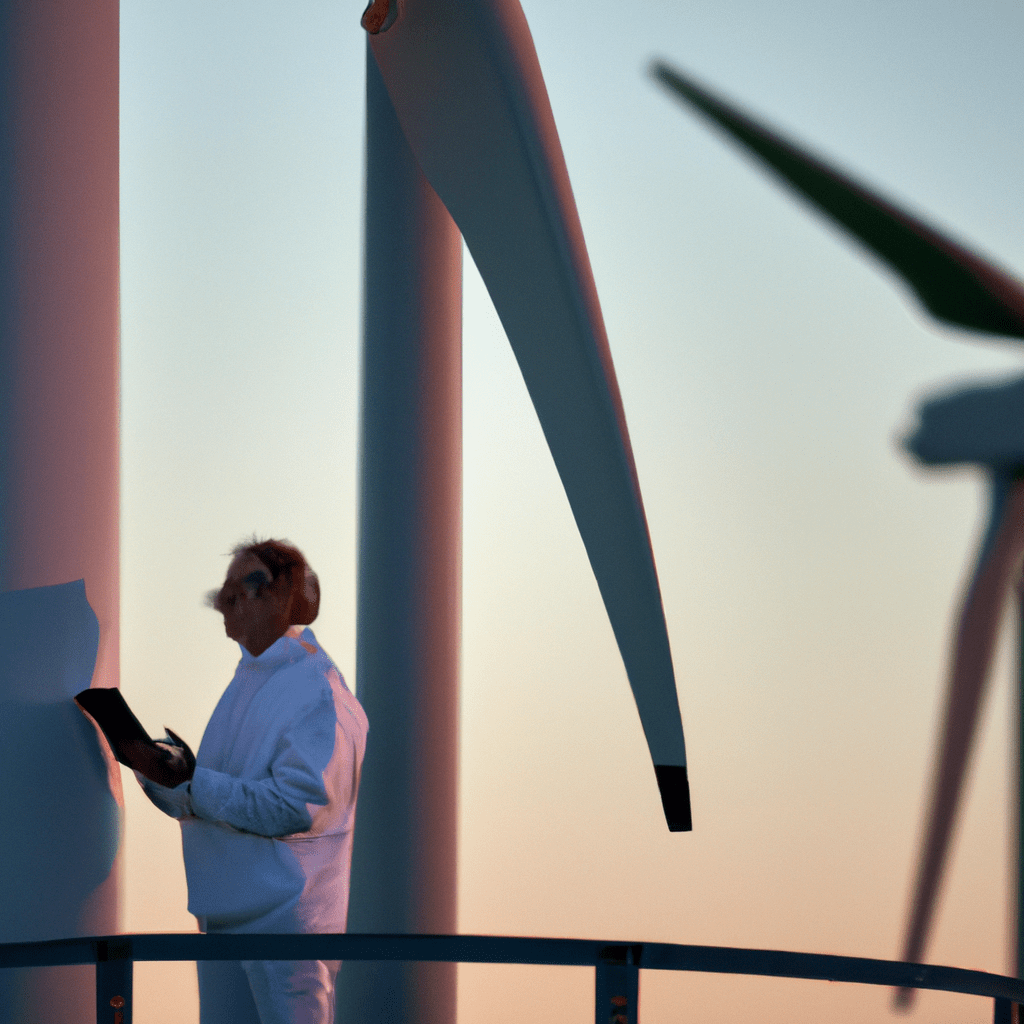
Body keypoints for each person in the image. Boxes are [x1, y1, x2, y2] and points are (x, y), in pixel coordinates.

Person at [133, 538, 368, 1024]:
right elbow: (209, 795)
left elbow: (295, 806)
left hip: (287, 934)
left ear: (281, 596)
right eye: (225, 592)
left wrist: (195, 785)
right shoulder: (251, 682)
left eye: (242, 588)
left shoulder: (316, 693)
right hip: (226, 924)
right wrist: (157, 774)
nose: (226, 602)